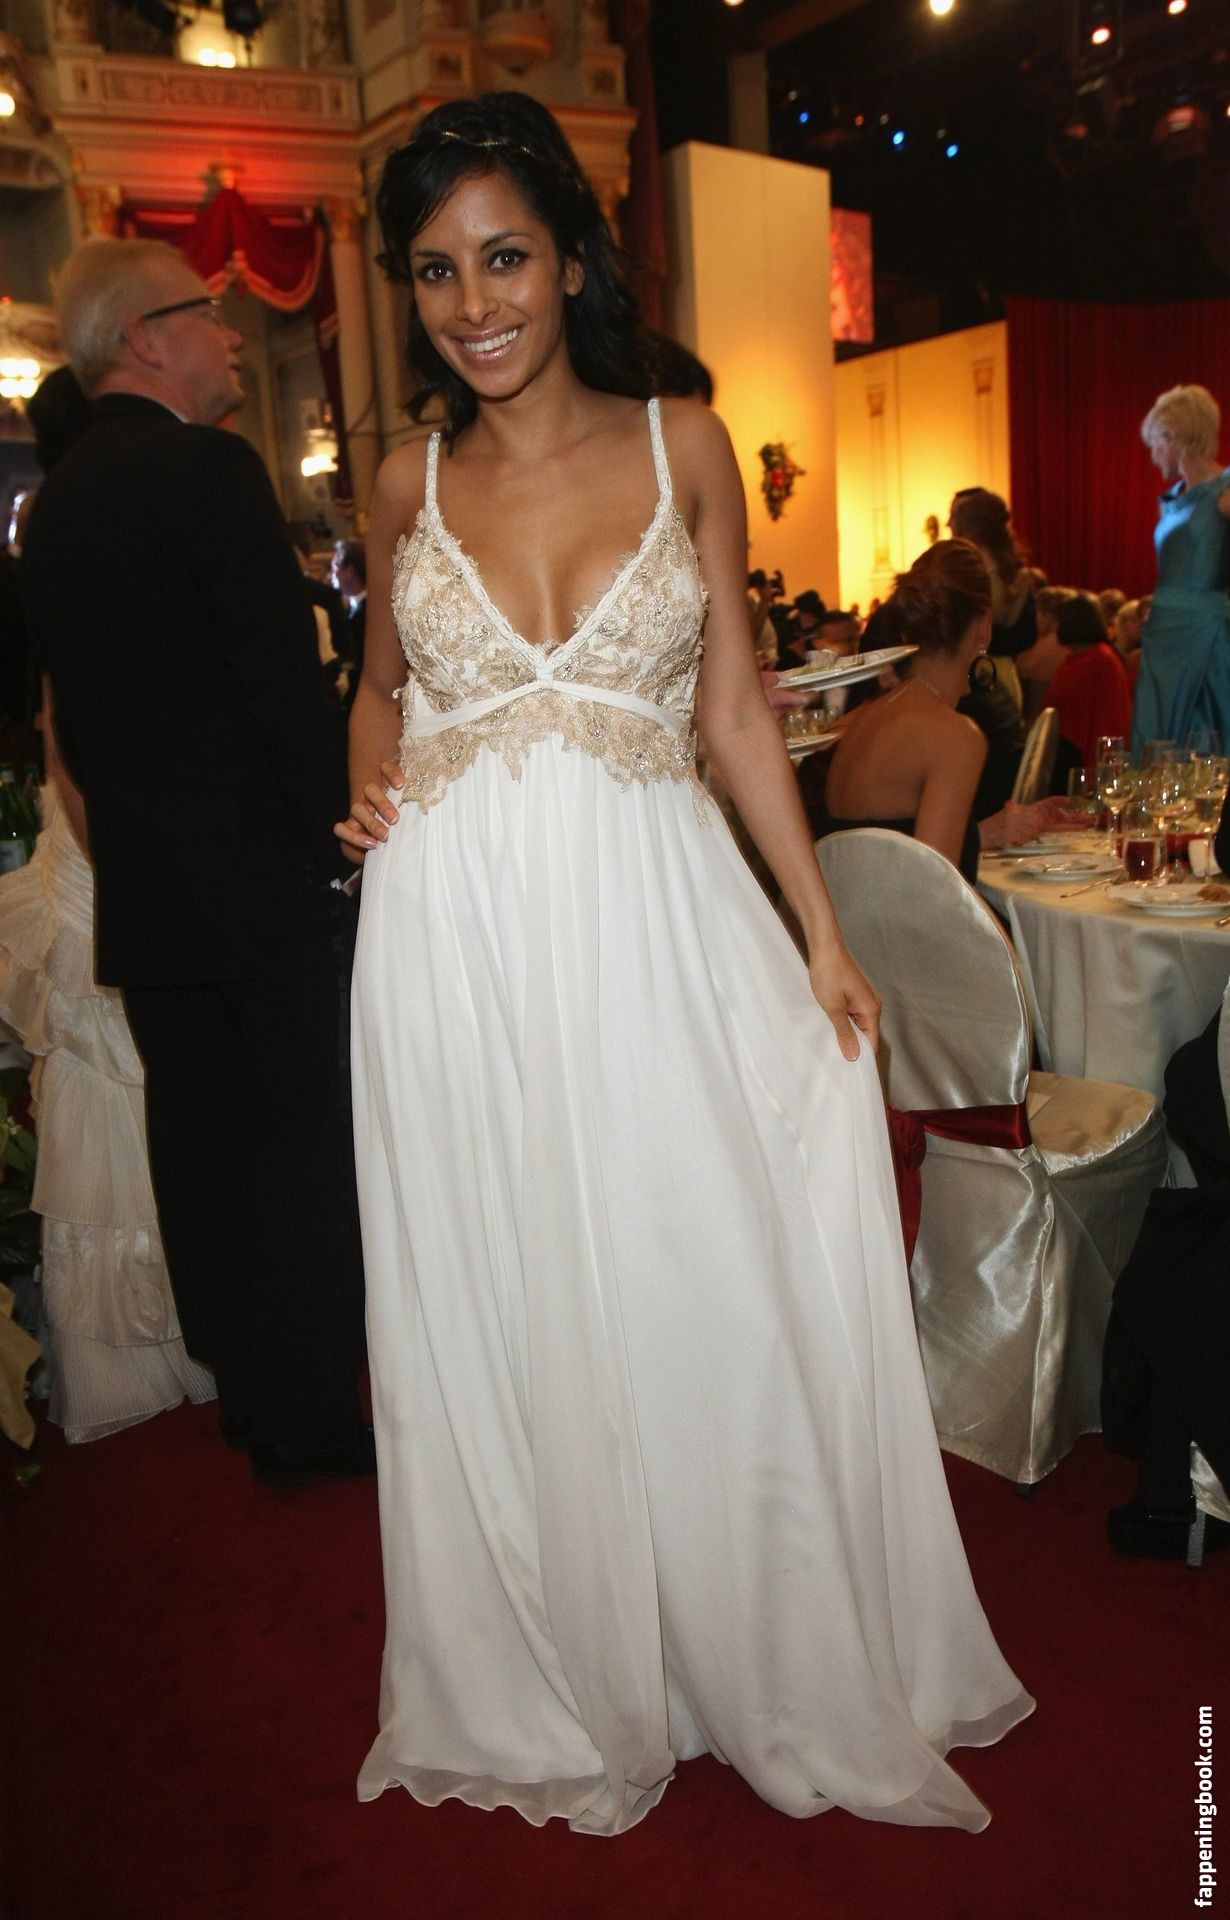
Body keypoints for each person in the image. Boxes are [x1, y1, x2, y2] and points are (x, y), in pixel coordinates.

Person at [339, 91, 1031, 1837]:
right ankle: (555, 1663)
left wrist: (822, 935)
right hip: (449, 940)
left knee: (688, 1261)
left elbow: (730, 714)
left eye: (504, 257)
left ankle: (739, 1640)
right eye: (434, 271)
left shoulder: (685, 444)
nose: (473, 303)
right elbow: (380, 691)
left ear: (572, 260)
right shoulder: (406, 480)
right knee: (498, 1289)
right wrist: (366, 781)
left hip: (650, 922)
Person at [20, 237, 371, 1488]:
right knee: (305, 1145)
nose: (230, 335)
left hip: (153, 896)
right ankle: (309, 1409)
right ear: (144, 338)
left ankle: (248, 1391)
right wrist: (342, 844)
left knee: (205, 1148)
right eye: (206, 313)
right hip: (266, 883)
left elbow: (67, 727)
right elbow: (281, 690)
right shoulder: (209, 469)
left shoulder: (57, 502)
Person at [819, 541, 1073, 882]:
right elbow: (933, 891)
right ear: (984, 627)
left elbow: (891, 848)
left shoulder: (860, 720)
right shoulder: (955, 736)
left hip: (843, 913)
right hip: (899, 916)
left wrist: (993, 831)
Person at [1133, 383, 1230, 754]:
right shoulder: (1174, 498)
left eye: (1155, 443)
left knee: (1205, 738)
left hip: (1204, 636)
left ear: (1172, 437)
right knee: (1156, 737)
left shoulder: (1224, 491)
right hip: (1164, 633)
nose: (1153, 456)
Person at [948, 487, 1036, 709]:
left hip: (973, 673)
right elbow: (1025, 636)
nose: (950, 525)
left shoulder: (964, 572)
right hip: (1003, 671)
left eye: (955, 519)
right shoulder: (1017, 574)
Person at [1046, 590, 1133, 772]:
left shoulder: (1101, 662)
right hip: (1069, 756)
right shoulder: (1080, 658)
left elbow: (1107, 724)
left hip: (1085, 764)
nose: (1054, 628)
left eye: (1058, 621)